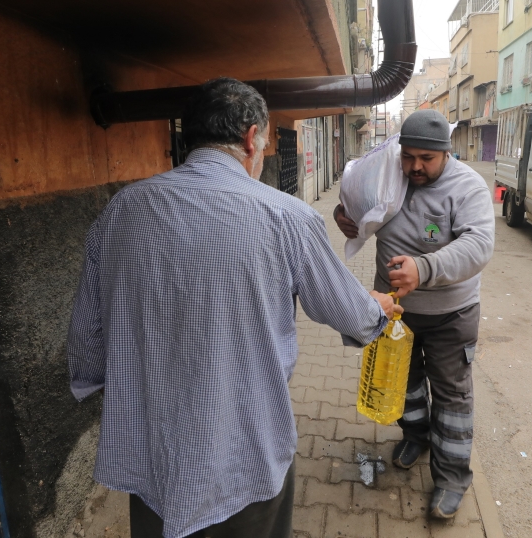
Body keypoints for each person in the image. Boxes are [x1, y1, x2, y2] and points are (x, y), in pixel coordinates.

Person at [67, 77, 400, 538]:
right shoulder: (287, 216)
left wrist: (114, 386)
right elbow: (352, 314)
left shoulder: (120, 212)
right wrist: (376, 308)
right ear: (251, 138)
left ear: (190, 136)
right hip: (248, 454)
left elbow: (86, 341)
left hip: (153, 458)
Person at [333, 109, 495, 519]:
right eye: (408, 157)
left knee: (452, 396)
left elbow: (479, 245)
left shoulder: (468, 187)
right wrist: (344, 216)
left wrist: (423, 269)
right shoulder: (390, 175)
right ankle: (416, 436)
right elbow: (355, 203)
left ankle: (452, 478)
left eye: (427, 159)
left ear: (447, 152)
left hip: (450, 314)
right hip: (395, 312)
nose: (415, 167)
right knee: (403, 384)